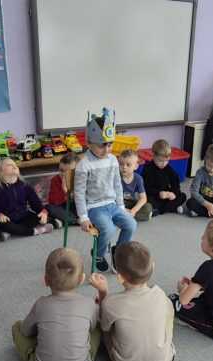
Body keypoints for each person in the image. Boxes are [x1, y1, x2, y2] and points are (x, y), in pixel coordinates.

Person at [11, 248, 101, 361]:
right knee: (98, 327)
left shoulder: (41, 304)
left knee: (16, 327)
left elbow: (25, 331)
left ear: (45, 280)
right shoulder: (88, 303)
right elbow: (92, 327)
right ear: (82, 279)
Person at [89, 242, 175, 361]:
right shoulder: (160, 293)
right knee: (166, 312)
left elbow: (105, 327)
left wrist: (103, 292)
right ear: (153, 266)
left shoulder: (112, 302)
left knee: (100, 323)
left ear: (119, 277)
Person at [74, 107, 137, 272]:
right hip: (94, 207)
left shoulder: (113, 160)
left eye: (110, 144)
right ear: (89, 143)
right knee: (108, 230)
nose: (107, 149)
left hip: (112, 204)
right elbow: (79, 193)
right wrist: (83, 217)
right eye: (102, 145)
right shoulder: (84, 164)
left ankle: (118, 252)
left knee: (131, 224)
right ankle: (98, 254)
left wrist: (121, 206)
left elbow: (117, 184)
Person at [0, 158, 54, 240]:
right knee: (1, 224)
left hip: (23, 216)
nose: (14, 166)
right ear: (0, 171)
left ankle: (10, 232)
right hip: (8, 219)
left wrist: (43, 212)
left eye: (15, 165)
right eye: (9, 165)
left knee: (41, 218)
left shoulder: (25, 186)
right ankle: (33, 231)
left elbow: (35, 203)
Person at [141, 139, 186, 216]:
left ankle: (160, 210)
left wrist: (173, 193)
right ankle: (171, 208)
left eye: (167, 161)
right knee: (146, 199)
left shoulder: (168, 169)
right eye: (160, 161)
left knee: (183, 196)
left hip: (166, 196)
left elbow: (175, 184)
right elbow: (146, 188)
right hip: (154, 195)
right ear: (153, 156)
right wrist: (158, 193)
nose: (164, 164)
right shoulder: (148, 169)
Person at [46, 153, 80, 226]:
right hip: (65, 208)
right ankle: (75, 221)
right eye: (61, 170)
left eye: (69, 171)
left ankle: (63, 221)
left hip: (79, 207)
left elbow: (85, 200)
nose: (64, 174)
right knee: (49, 208)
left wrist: (70, 192)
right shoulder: (55, 180)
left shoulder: (82, 179)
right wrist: (65, 190)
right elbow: (54, 202)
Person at [118, 150, 152, 222]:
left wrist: (134, 210)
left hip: (132, 203)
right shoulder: (117, 177)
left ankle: (125, 216)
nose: (124, 167)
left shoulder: (138, 178)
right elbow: (112, 198)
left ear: (136, 166)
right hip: (120, 203)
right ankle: (125, 216)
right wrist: (123, 209)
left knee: (148, 207)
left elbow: (143, 198)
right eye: (121, 164)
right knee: (109, 206)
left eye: (128, 165)